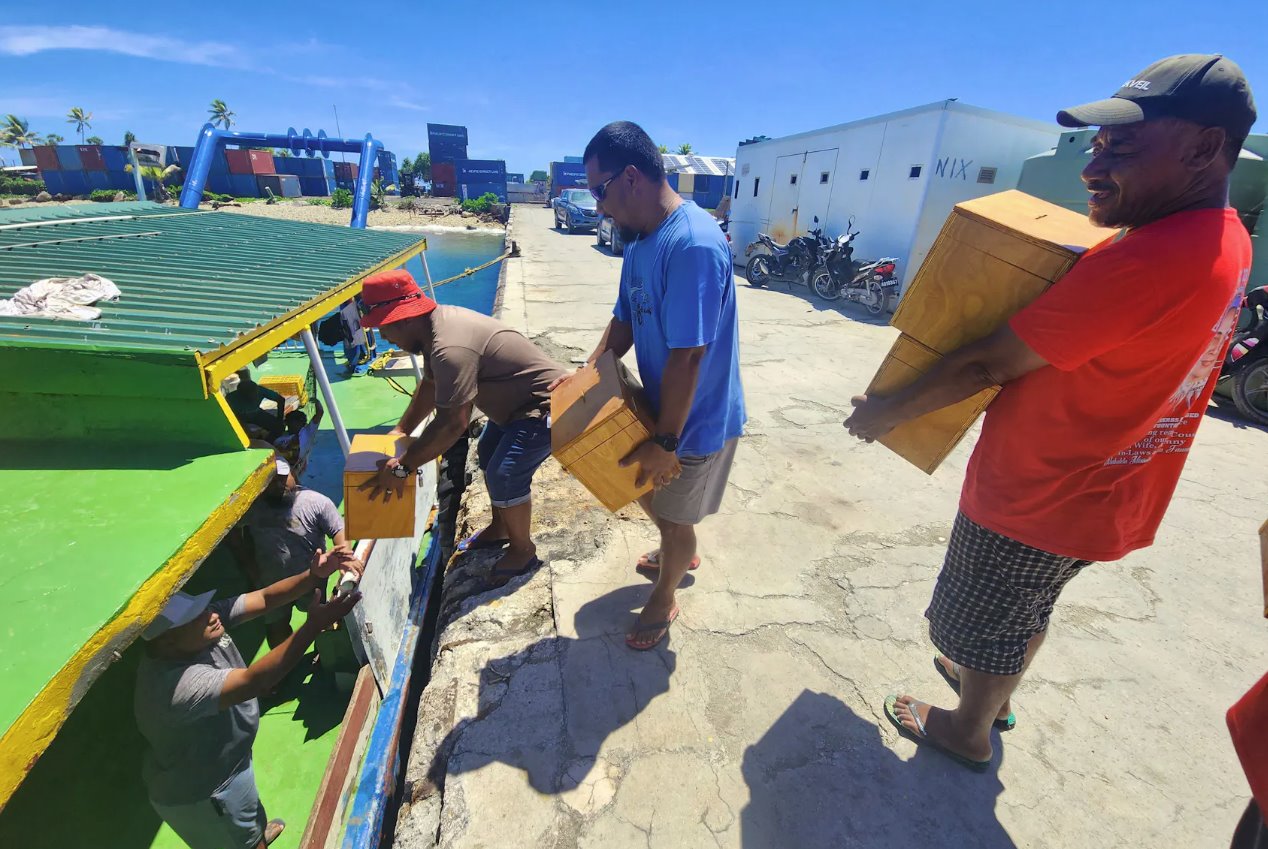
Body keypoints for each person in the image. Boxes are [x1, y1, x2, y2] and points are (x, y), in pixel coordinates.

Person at [844, 54, 1256, 771]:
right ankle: (992, 691)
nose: (1093, 167)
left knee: (980, 622)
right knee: (1028, 610)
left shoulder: (1150, 257)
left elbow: (987, 363)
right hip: (1108, 489)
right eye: (1096, 145)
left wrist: (887, 409)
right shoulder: (1225, 238)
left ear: (1203, 148)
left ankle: (967, 727)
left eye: (1122, 146)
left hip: (1038, 496)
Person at [561, 120, 745, 650]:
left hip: (694, 420)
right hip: (661, 408)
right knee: (647, 493)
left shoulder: (691, 245)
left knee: (669, 512)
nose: (597, 206)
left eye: (599, 191)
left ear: (632, 178)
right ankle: (675, 548)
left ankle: (665, 597)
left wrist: (667, 443)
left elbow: (690, 356)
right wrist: (585, 379)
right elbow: (624, 320)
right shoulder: (641, 240)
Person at [134, 546, 362, 849]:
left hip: (229, 763)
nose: (212, 614)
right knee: (241, 843)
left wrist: (313, 575)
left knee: (249, 823)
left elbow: (264, 598)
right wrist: (313, 626)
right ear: (167, 641)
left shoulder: (198, 630)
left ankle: (254, 832)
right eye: (196, 616)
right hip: (207, 791)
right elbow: (256, 680)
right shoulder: (174, 687)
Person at [356, 269, 567, 586]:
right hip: (515, 410)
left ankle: (523, 550)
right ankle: (500, 527)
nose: (385, 338)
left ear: (404, 320)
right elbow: (430, 386)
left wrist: (403, 467)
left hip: (545, 408)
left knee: (505, 473)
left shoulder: (450, 347)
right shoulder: (434, 330)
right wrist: (401, 429)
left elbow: (451, 424)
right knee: (486, 450)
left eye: (384, 329)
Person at [231, 459, 348, 647]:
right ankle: (287, 667)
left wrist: (344, 560)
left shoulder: (317, 502)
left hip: (312, 579)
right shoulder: (252, 507)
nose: (278, 484)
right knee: (277, 627)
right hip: (271, 583)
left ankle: (323, 650)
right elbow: (233, 531)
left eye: (283, 477)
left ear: (294, 472)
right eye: (270, 480)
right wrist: (247, 565)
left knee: (320, 619)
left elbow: (338, 532)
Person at [226, 369, 286, 442]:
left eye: (255, 394)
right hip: (238, 418)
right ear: (240, 394)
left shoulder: (260, 390)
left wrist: (279, 419)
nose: (254, 397)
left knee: (279, 427)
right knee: (239, 437)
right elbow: (228, 416)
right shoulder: (229, 399)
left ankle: (267, 443)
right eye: (249, 395)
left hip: (256, 413)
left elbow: (281, 400)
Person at [274, 400, 324, 472]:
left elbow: (320, 412)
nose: (295, 425)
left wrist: (316, 401)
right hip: (284, 466)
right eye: (293, 423)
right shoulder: (280, 439)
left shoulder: (307, 432)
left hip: (297, 467)